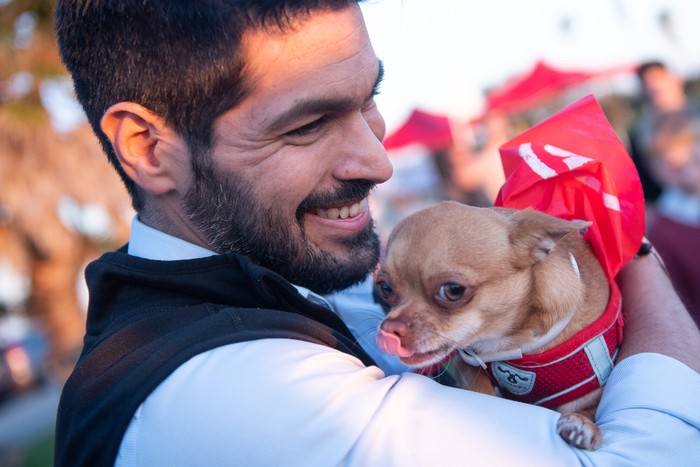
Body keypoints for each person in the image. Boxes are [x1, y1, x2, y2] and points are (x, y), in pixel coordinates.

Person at [53, 1, 700, 466]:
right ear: (148, 147)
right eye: (307, 125)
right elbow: (655, 454)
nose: (377, 162)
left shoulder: (283, 287)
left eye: (368, 100)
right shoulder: (231, 390)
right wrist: (626, 251)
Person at [645, 111, 700, 325]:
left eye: (694, 160)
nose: (688, 173)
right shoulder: (663, 231)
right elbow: (681, 305)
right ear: (654, 169)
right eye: (675, 167)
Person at [628, 60, 699, 205]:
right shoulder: (641, 139)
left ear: (676, 81)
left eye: (661, 87)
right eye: (651, 90)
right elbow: (648, 194)